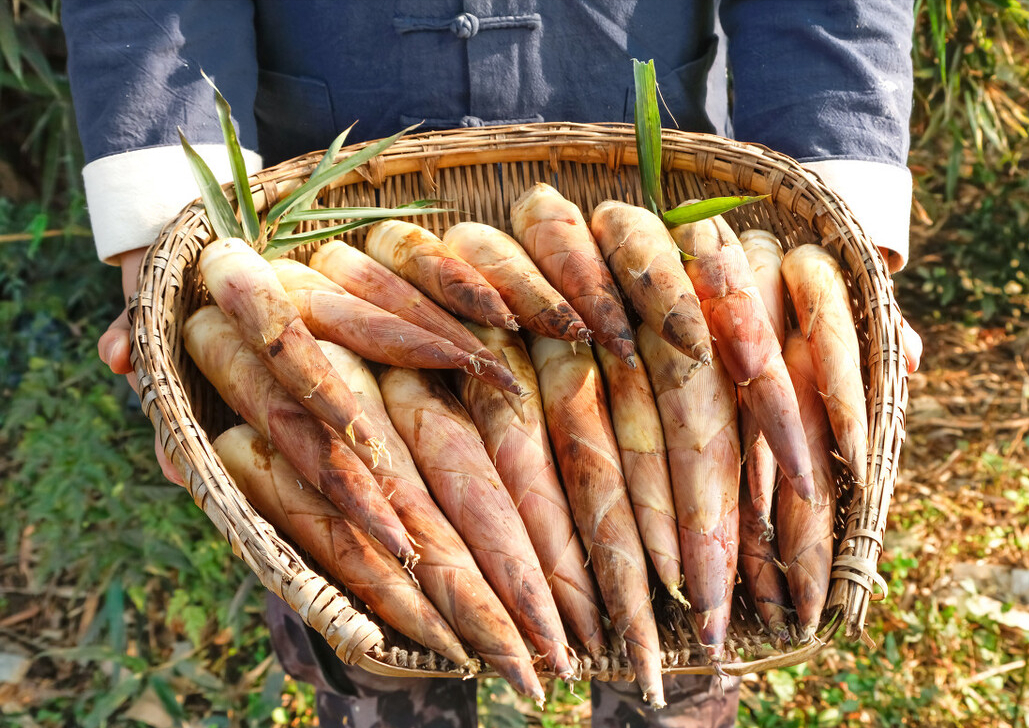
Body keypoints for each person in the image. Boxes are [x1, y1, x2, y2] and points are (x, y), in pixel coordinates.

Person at [62, 2, 923, 726]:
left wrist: (844, 251)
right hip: (322, 215)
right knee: (375, 623)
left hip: (644, 242)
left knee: (694, 622)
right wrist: (167, 249)